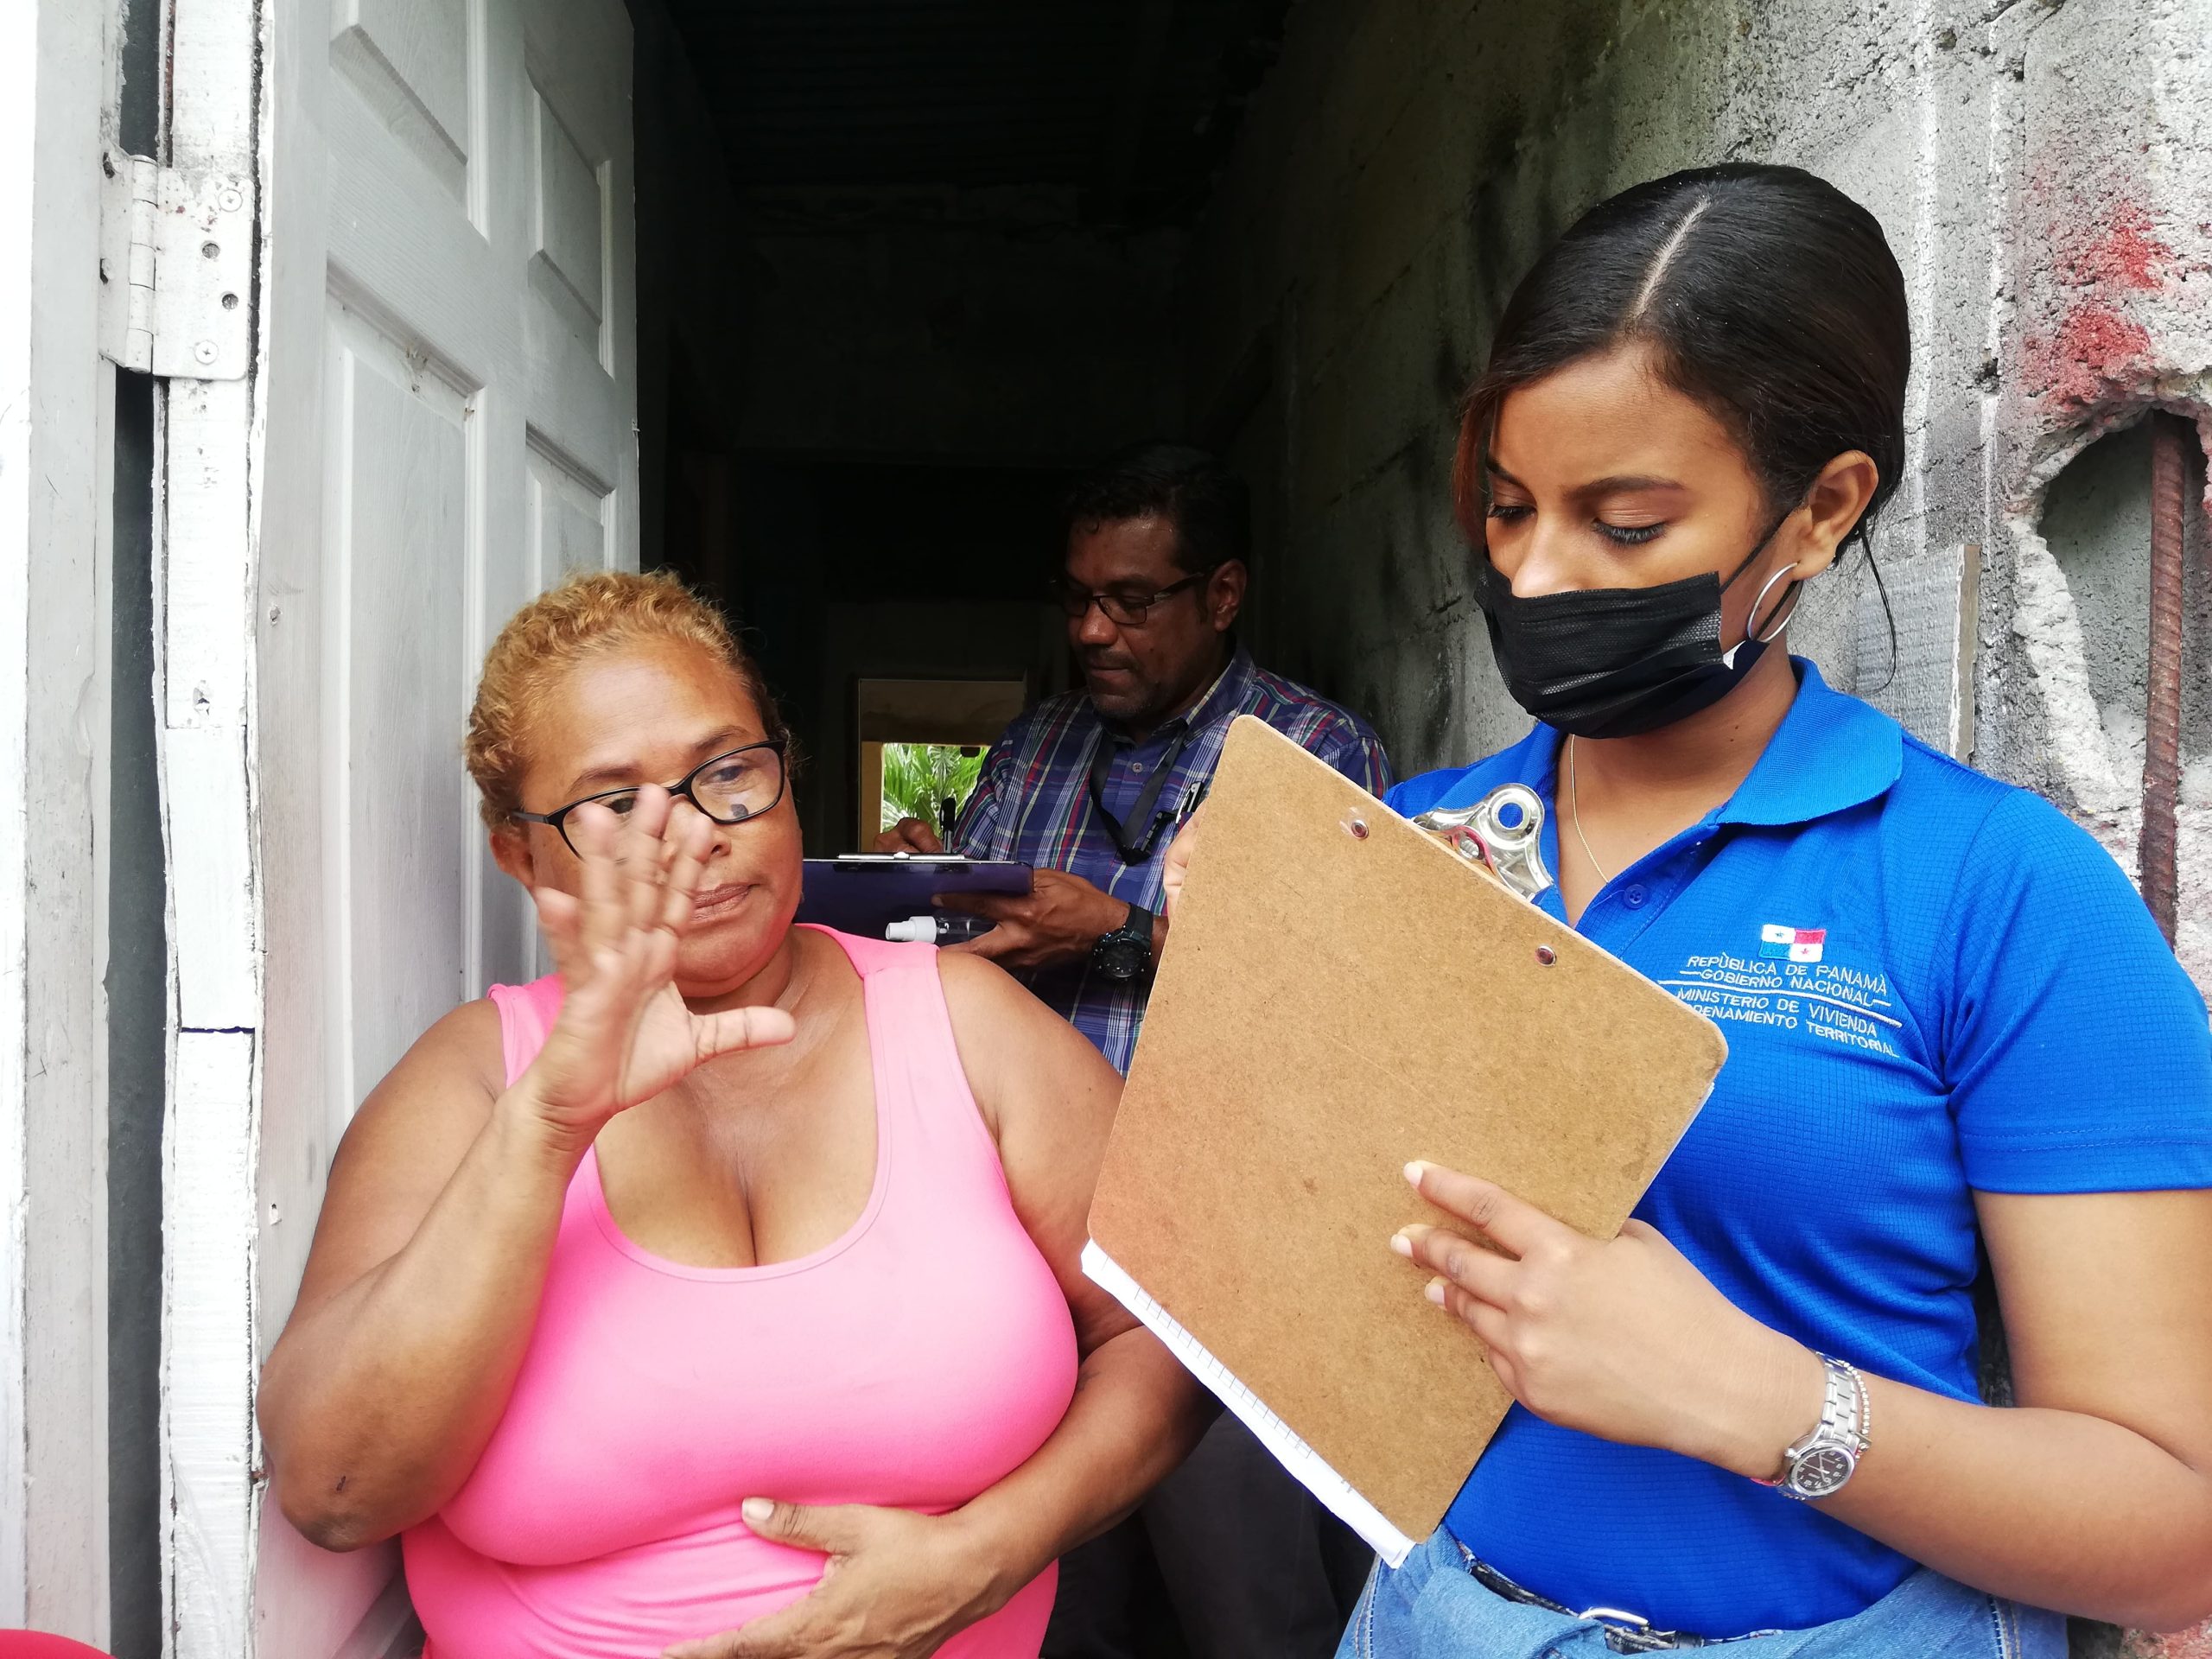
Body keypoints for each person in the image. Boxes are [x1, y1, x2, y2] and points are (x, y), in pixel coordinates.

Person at [1166, 162, 2212, 1658]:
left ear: (1822, 509)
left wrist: (1762, 1403)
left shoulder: (1996, 891)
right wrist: (1244, 965)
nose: (1534, 575)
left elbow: (2175, 1536)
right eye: (1508, 508)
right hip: (1439, 1618)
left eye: (1626, 524)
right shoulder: (1416, 841)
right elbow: (1290, 1262)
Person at [257, 571, 1207, 1659]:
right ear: (520, 852)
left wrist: (988, 1555)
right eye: (616, 806)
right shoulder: (475, 1082)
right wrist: (546, 1129)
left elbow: (1169, 1330)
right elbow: (335, 1493)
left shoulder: (970, 1023)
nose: (694, 834)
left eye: (727, 773)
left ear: (785, 771)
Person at [879, 442, 1391, 1659]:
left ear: (1222, 594)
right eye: (1076, 598)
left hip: (1223, 1261)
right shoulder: (1030, 752)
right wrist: (921, 896)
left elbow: (1343, 1013)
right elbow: (964, 963)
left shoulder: (1316, 754)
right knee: (1056, 1611)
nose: (1093, 631)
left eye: (1131, 599)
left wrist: (1116, 933)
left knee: (1245, 1610)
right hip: (1027, 1255)